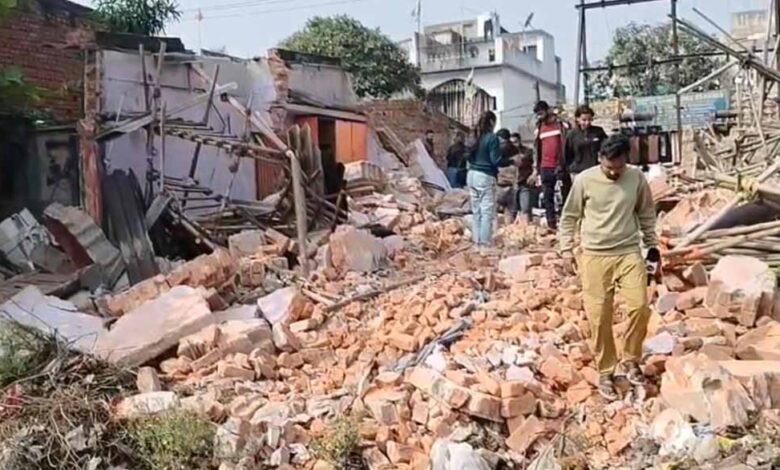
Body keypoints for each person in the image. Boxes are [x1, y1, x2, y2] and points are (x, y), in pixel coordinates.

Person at [558, 134, 660, 401]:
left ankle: (631, 359)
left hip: (628, 252)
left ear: (626, 160)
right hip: (594, 255)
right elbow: (569, 216)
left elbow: (646, 213)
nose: (614, 172)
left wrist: (652, 246)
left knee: (639, 306)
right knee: (599, 315)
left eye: (619, 167)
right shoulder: (584, 180)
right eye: (608, 167)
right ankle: (606, 371)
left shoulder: (636, 178)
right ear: (599, 158)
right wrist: (566, 248)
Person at [466, 111, 504, 248]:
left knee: (476, 211)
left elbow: (468, 156)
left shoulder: (474, 137)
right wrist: (511, 161)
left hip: (472, 174)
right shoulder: (492, 138)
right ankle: (484, 244)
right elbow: (496, 160)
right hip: (485, 175)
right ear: (492, 122)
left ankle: (476, 242)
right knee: (486, 212)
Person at [534, 101, 569, 231]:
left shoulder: (560, 125)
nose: (540, 116)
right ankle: (551, 224)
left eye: (541, 113)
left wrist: (563, 164)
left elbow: (567, 143)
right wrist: (537, 169)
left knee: (565, 196)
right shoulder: (539, 128)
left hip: (560, 166)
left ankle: (565, 223)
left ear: (547, 111)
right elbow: (536, 149)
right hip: (545, 167)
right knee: (548, 198)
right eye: (538, 114)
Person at [565, 105, 608, 179]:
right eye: (584, 120)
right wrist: (569, 168)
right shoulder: (572, 134)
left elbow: (606, 147)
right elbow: (567, 154)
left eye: (589, 119)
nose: (587, 122)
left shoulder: (598, 132)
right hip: (577, 172)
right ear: (578, 119)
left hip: (595, 170)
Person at [512, 132, 536, 224]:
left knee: (525, 208)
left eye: (515, 142)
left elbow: (535, 164)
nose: (514, 144)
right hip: (512, 184)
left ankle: (527, 227)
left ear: (519, 141)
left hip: (524, 183)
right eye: (511, 142)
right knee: (513, 210)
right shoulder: (507, 153)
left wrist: (533, 175)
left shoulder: (527, 152)